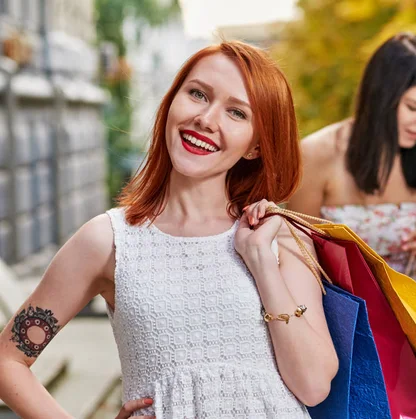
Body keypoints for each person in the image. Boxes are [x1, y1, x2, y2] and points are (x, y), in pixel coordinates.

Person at [0, 41, 338, 419]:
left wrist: (260, 262)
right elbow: (7, 362)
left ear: (256, 147)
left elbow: (313, 385)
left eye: (237, 113)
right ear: (171, 101)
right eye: (197, 94)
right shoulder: (110, 240)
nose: (207, 119)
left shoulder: (280, 237)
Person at [288, 32, 416, 418]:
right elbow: (295, 263)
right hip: (346, 337)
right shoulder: (318, 155)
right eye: (415, 107)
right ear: (381, 97)